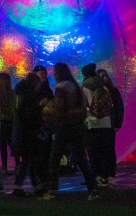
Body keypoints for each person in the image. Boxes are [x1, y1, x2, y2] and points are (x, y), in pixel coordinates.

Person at [44, 63, 98, 201]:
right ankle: (93, 189)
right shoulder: (75, 86)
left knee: (54, 158)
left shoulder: (60, 88)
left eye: (55, 72)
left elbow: (60, 109)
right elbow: (83, 106)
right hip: (77, 126)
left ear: (59, 73)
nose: (54, 74)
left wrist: (46, 110)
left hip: (64, 127)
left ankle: (51, 189)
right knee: (81, 158)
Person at [11, 65, 51, 196]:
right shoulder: (29, 97)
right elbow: (30, 116)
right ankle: (22, 187)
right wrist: (41, 107)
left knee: (29, 161)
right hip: (28, 134)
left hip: (21, 133)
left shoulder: (20, 94)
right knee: (29, 161)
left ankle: (35, 187)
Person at [81, 64, 115, 188]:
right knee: (104, 151)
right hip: (106, 123)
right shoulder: (104, 86)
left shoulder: (85, 87)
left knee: (93, 152)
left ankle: (96, 176)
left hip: (92, 123)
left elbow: (84, 105)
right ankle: (105, 176)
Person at [98, 69, 125, 181]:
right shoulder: (97, 92)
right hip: (100, 125)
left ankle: (110, 172)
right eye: (100, 76)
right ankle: (102, 173)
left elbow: (119, 108)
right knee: (101, 149)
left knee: (109, 149)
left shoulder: (113, 91)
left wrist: (117, 124)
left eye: (104, 76)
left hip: (109, 125)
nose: (103, 78)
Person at [0, 71, 15, 175]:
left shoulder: (10, 92)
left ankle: (9, 167)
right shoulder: (0, 91)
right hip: (4, 121)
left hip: (7, 121)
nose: (5, 82)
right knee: (6, 144)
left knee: (10, 144)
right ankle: (5, 167)